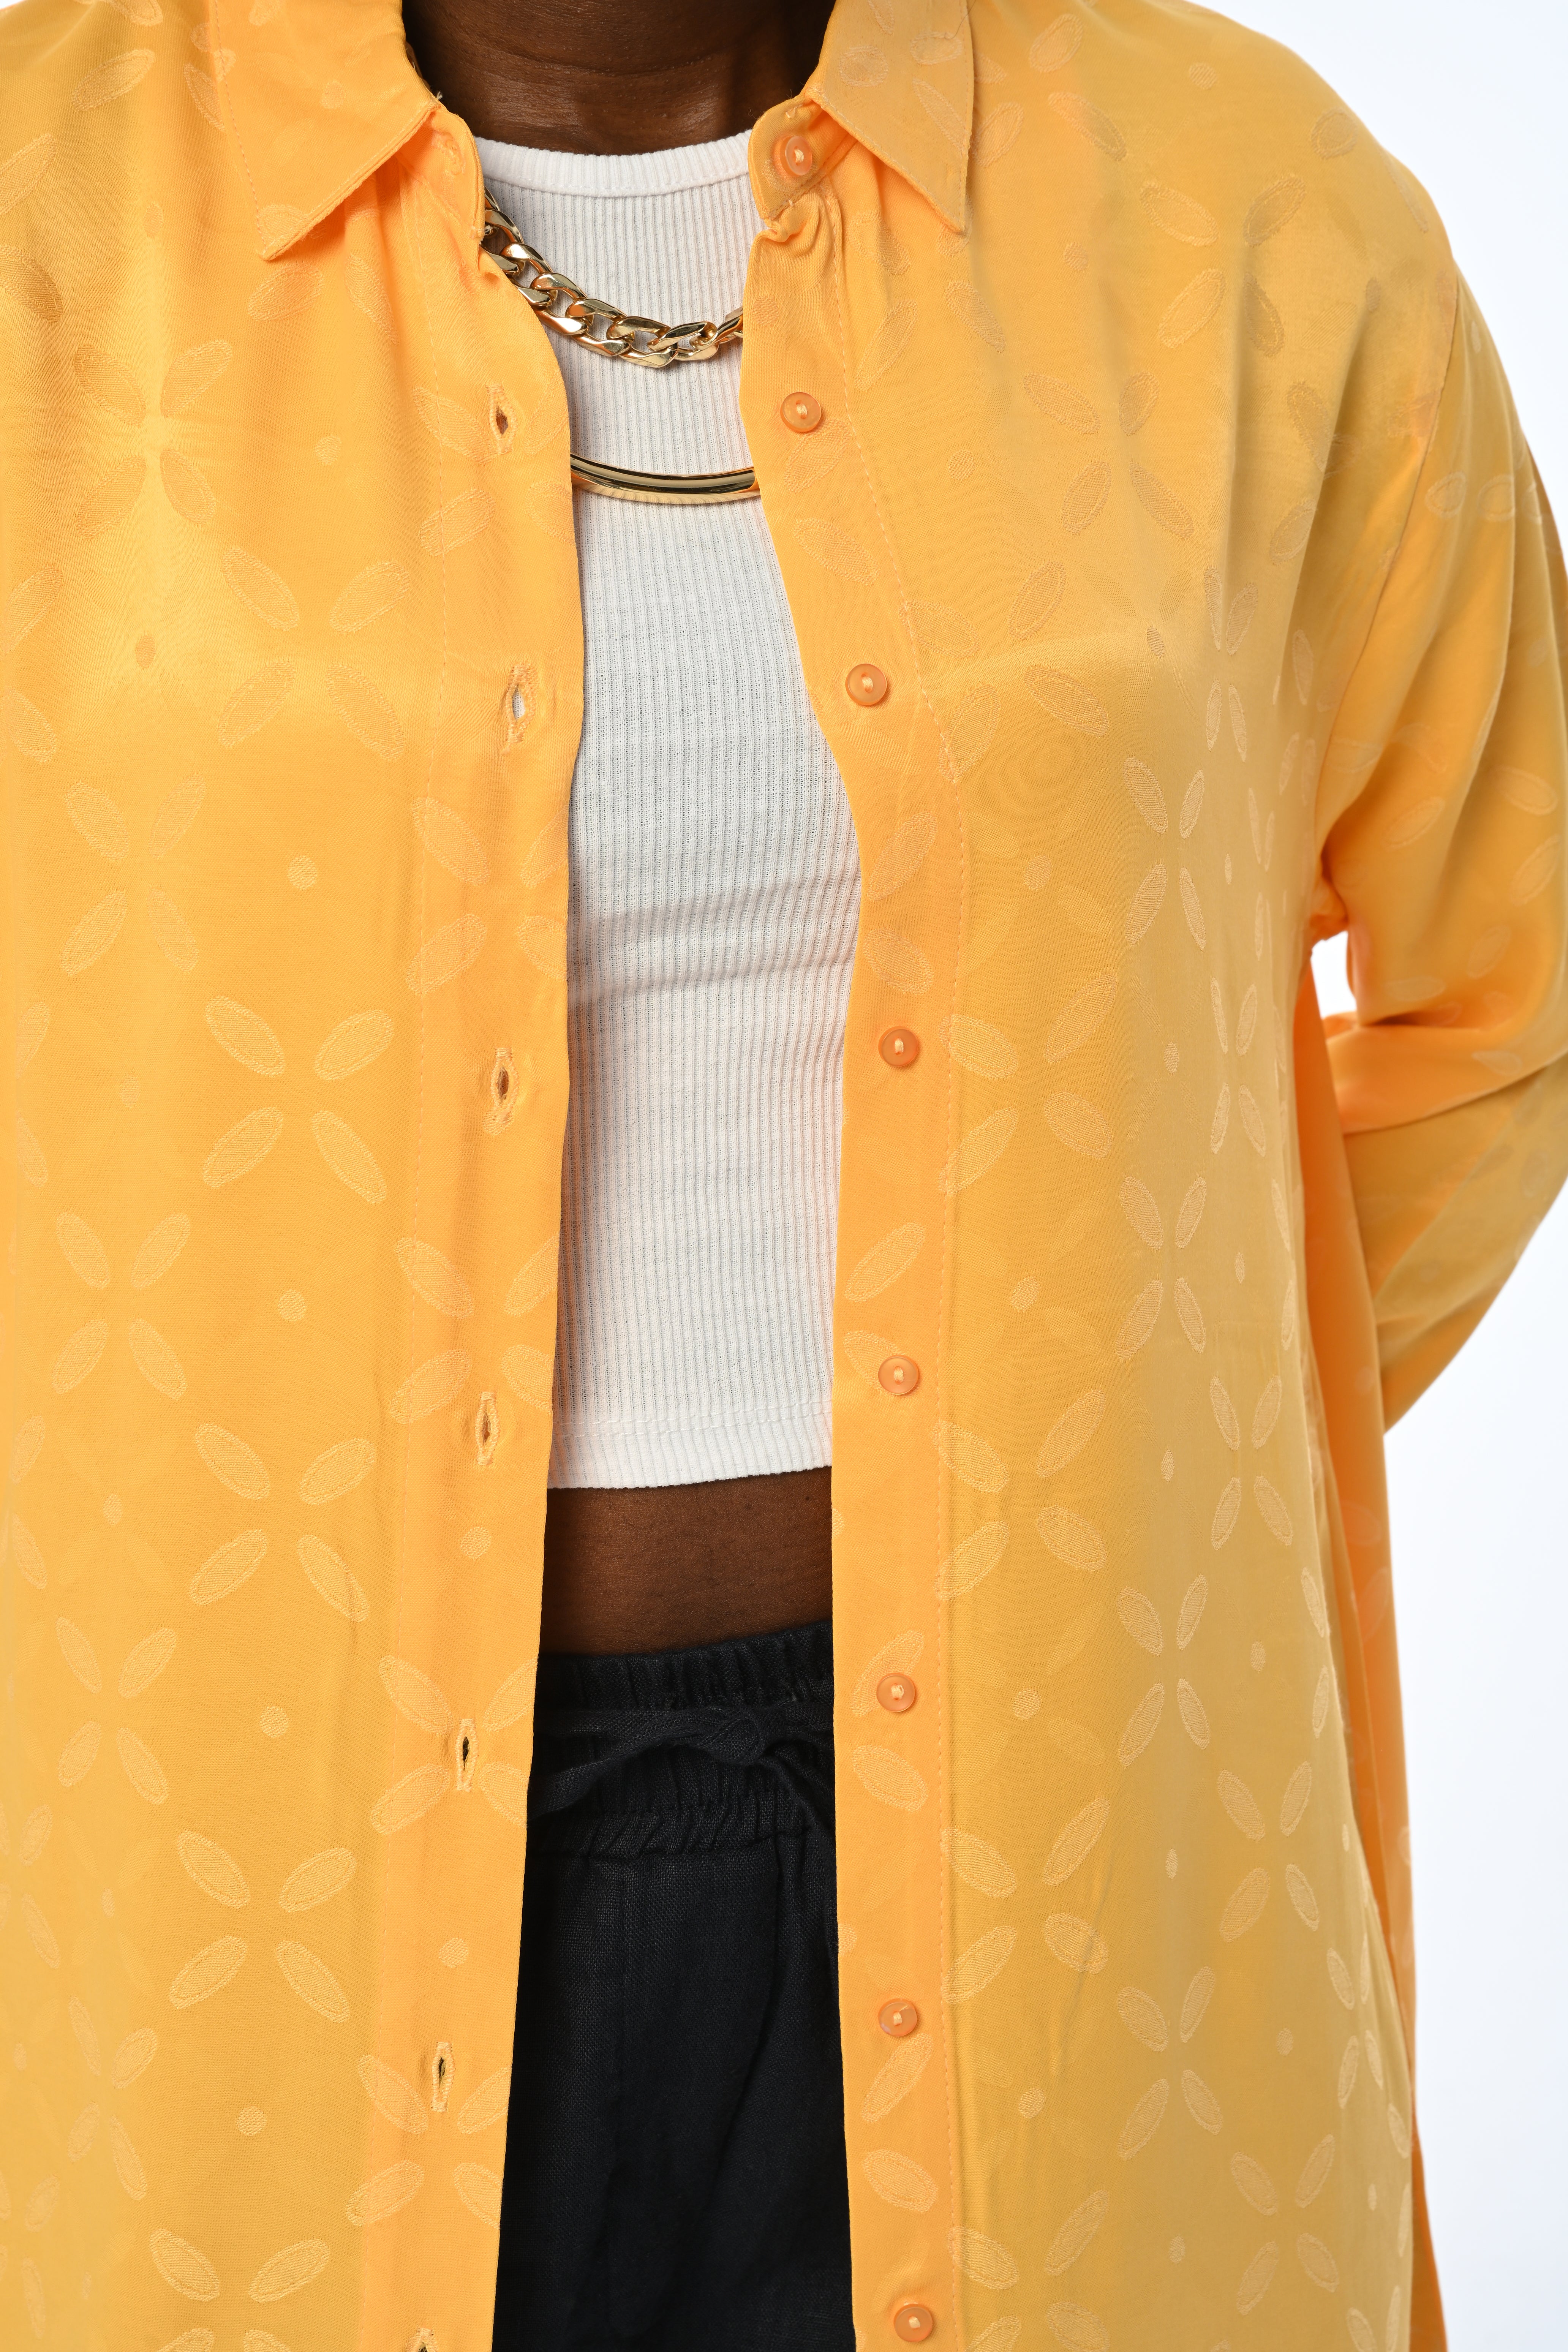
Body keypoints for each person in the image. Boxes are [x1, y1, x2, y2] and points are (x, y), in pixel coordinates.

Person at [1, 0, 1564, 2345]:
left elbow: (1511, 985)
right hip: (226, 1854)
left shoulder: (1243, 214)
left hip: (1065, 1844)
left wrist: (1130, 1434)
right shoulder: (49, 195)